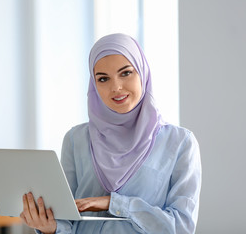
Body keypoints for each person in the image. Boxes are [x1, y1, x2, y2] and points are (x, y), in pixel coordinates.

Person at [19, 33, 202, 234]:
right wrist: (50, 228)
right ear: (94, 85)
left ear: (142, 72)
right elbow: (67, 221)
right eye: (103, 78)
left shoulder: (179, 143)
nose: (115, 87)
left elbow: (181, 227)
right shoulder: (76, 140)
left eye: (125, 73)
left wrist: (114, 204)